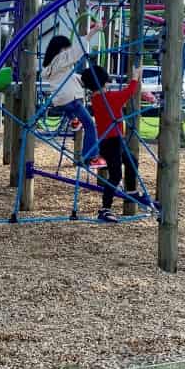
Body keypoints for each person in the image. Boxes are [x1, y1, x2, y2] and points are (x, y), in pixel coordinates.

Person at [41, 22, 107, 168]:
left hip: (60, 102)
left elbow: (69, 77)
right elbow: (77, 50)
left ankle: (74, 121)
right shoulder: (61, 59)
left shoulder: (50, 66)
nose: (68, 51)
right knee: (90, 125)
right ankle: (91, 157)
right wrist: (94, 31)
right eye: (67, 48)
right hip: (72, 100)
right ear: (61, 49)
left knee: (74, 114)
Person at [85, 65, 143, 222]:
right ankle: (105, 208)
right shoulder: (108, 98)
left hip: (110, 141)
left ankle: (131, 193)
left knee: (132, 162)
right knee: (115, 175)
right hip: (113, 142)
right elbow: (128, 93)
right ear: (104, 81)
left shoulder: (96, 99)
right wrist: (135, 78)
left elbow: (119, 95)